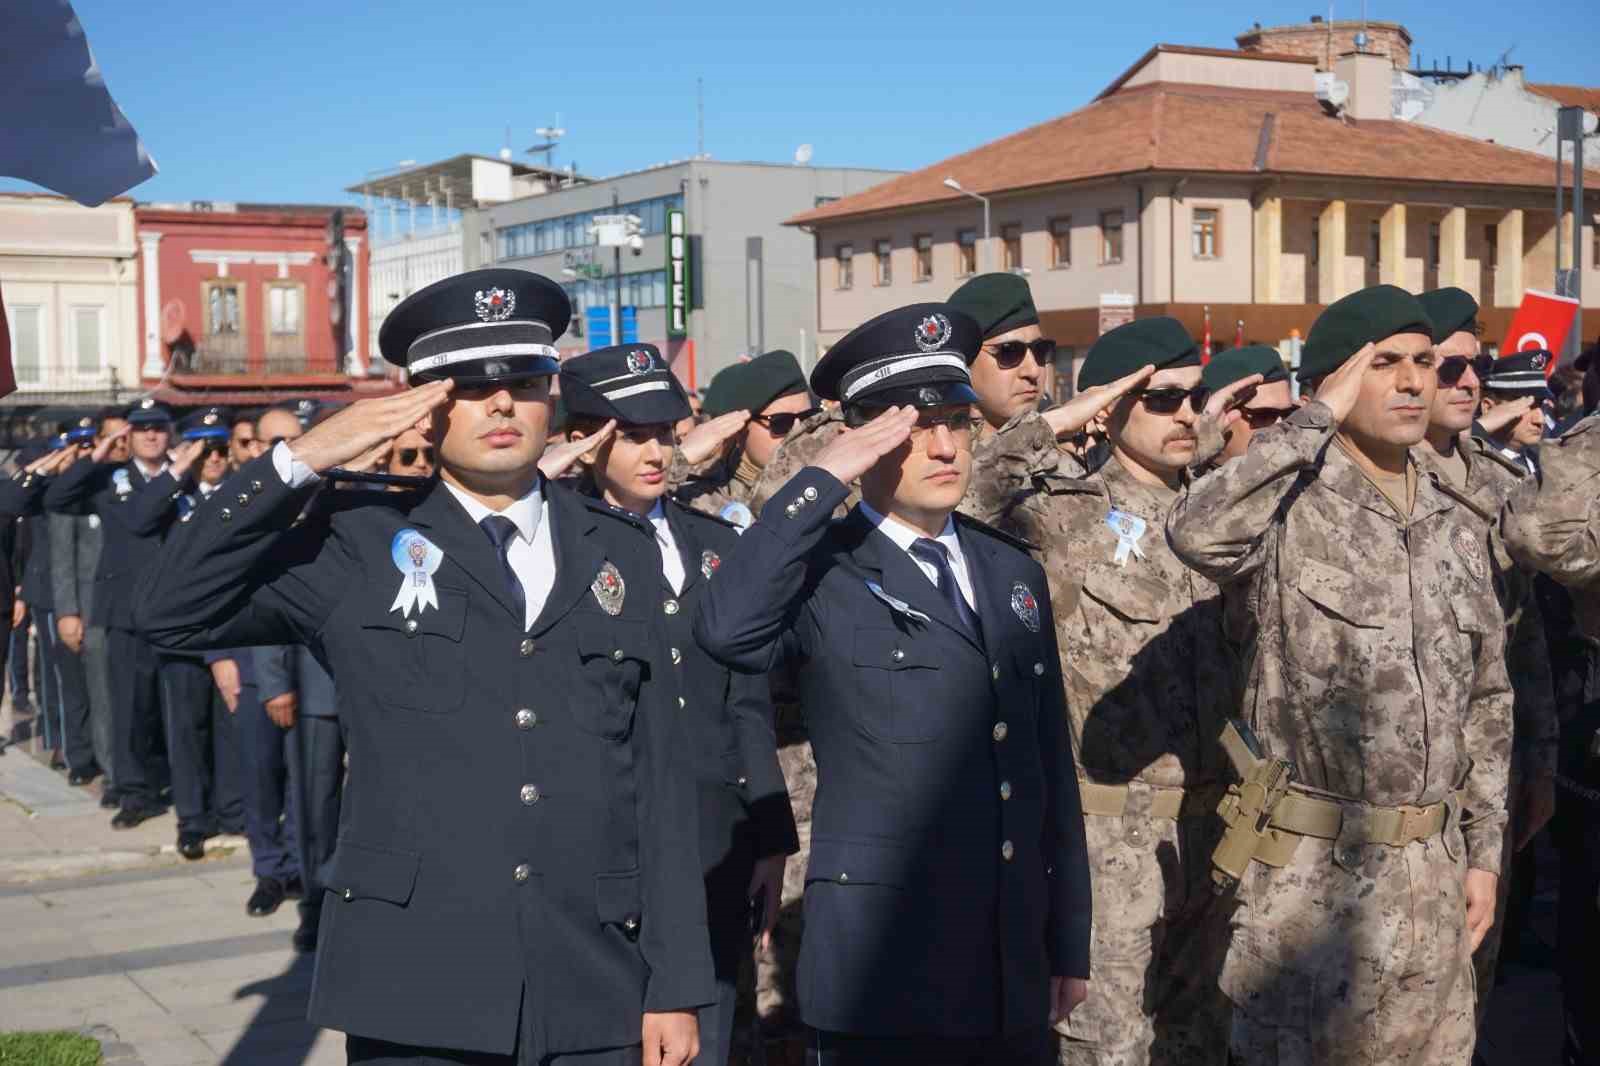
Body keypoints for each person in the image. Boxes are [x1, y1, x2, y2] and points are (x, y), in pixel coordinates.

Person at [136, 268, 713, 1066]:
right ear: (420, 405)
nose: (501, 403)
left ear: (554, 394)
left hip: (591, 981)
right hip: (417, 987)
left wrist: (676, 983)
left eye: (521, 379)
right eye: (469, 386)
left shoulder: (620, 550)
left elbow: (660, 781)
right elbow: (168, 611)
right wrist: (299, 460)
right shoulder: (355, 538)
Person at [694, 302, 1091, 1066]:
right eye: (915, 427)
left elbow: (1047, 767)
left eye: (958, 422)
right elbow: (725, 630)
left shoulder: (1010, 572)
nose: (944, 446)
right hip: (887, 971)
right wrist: (817, 483)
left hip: (1009, 959)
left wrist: (1067, 937)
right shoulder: (819, 568)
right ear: (866, 438)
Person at [1167, 285, 1512, 1066]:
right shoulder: (1289, 501)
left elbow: (1489, 700)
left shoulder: (1458, 509)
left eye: (1425, 361)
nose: (1414, 381)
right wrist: (1310, 421)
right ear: (1335, 380)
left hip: (1435, 874)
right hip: (1313, 889)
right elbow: (1194, 534)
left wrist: (1484, 855)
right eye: (1383, 363)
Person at [998, 316, 1255, 1066]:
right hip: (1112, 845)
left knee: (1205, 1044)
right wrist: (1050, 426)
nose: (1185, 414)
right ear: (1109, 411)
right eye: (1161, 399)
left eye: (1193, 397)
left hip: (1221, 833)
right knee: (1107, 1050)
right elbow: (969, 500)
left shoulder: (1220, 511)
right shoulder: (1061, 512)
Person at [554, 342, 797, 1066]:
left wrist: (771, 829)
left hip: (715, 839)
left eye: (665, 430)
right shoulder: (558, 548)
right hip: (604, 844)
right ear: (583, 441)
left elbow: (745, 696)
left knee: (711, 1031)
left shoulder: (714, 543)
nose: (656, 450)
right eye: (633, 434)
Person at [1415, 287, 1559, 1037]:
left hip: (1486, 790)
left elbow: (1523, 645)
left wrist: (1539, 767)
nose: (1470, 383)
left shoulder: (1503, 487)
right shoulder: (1367, 483)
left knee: (1466, 1003)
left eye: (1478, 367)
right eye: (1451, 368)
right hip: (1394, 801)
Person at [45, 399, 206, 829]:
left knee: (179, 711)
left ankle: (187, 795)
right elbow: (59, 498)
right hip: (126, 614)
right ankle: (136, 792)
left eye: (159, 428)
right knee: (129, 711)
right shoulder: (112, 480)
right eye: (141, 429)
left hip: (174, 612)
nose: (152, 435)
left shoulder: (188, 481)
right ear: (128, 437)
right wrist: (94, 457)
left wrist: (179, 474)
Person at [228, 404, 308, 918]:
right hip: (258, 669)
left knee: (307, 780)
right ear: (256, 447)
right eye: (277, 440)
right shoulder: (240, 505)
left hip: (313, 669)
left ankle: (302, 866)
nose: (289, 449)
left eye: (296, 439)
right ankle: (268, 872)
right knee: (261, 776)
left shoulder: (318, 496)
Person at [157, 408, 245, 859]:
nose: (213, 457)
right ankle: (192, 819)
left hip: (231, 629)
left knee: (230, 725)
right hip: (185, 634)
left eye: (220, 448)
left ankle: (232, 810)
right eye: (204, 448)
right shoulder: (172, 495)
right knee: (188, 731)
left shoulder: (241, 493)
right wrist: (178, 468)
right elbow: (138, 519)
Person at [50, 412, 126, 804]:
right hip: (91, 608)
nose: (120, 445)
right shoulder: (78, 487)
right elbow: (62, 555)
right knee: (102, 698)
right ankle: (113, 775)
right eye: (112, 439)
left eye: (124, 438)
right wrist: (67, 611)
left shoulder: (134, 482)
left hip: (130, 608)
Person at [254, 638, 340, 951]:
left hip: (380, 691)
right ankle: (317, 906)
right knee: (314, 809)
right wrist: (274, 680)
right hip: (314, 686)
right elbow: (272, 604)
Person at [673, 350, 816, 526]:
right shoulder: (702, 498)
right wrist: (681, 458)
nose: (797, 430)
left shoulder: (834, 474)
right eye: (781, 423)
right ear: (739, 429)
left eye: (807, 417)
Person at [1196, 345, 1296, 466]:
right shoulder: (1181, 481)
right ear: (1218, 416)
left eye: (1289, 414)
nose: (1282, 425)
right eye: (1264, 415)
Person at [1476, 350, 1553, 477]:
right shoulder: (1476, 461)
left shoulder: (1546, 461)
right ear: (1488, 408)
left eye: (1541, 406)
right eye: (1526, 406)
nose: (1540, 420)